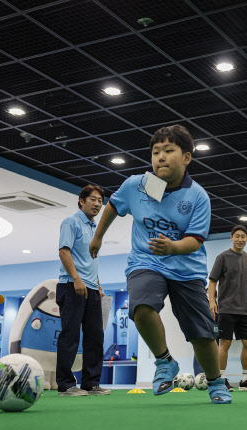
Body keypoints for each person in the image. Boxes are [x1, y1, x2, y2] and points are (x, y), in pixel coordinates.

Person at [89, 124, 230, 404]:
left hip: (187, 269)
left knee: (201, 333)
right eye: (155, 152)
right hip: (146, 260)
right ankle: (165, 362)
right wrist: (97, 238)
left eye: (169, 150)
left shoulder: (198, 196)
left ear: (187, 158)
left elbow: (196, 239)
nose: (160, 157)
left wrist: (174, 246)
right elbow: (114, 206)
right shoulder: (139, 184)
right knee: (140, 306)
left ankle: (215, 382)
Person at [56, 184, 109, 396]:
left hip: (92, 288)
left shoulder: (95, 228)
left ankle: (91, 383)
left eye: (100, 201)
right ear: (81, 201)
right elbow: (64, 252)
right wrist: (76, 279)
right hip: (71, 286)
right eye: (93, 199)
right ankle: (66, 384)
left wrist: (98, 284)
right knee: (70, 337)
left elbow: (91, 259)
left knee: (95, 336)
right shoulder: (71, 222)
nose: (97, 204)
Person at [208, 225, 247, 392]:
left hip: (244, 310)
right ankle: (221, 379)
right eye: (237, 236)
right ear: (231, 237)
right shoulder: (222, 257)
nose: (240, 239)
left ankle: (245, 379)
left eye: (243, 236)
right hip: (226, 309)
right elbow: (212, 281)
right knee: (225, 343)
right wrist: (212, 301)